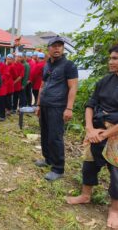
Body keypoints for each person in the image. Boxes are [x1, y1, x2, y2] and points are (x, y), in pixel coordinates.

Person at [66, 45, 118, 229]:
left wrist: (106, 133)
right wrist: (89, 129)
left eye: (116, 58)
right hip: (96, 130)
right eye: (111, 58)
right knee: (89, 164)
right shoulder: (104, 81)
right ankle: (85, 195)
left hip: (115, 135)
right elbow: (90, 104)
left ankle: (114, 210)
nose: (111, 62)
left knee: (116, 172)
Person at [35, 36, 78, 181]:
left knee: (55, 137)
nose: (57, 48)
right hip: (45, 105)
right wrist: (39, 105)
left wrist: (69, 108)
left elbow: (73, 88)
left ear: (63, 48)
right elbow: (42, 86)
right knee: (45, 134)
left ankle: (58, 168)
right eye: (54, 46)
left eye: (60, 46)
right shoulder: (47, 65)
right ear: (49, 48)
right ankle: (48, 159)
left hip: (58, 107)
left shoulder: (69, 65)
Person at [0, 53, 11, 121]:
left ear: (0, 59)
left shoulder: (4, 66)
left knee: (1, 102)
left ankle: (2, 115)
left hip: (2, 87)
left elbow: (6, 75)